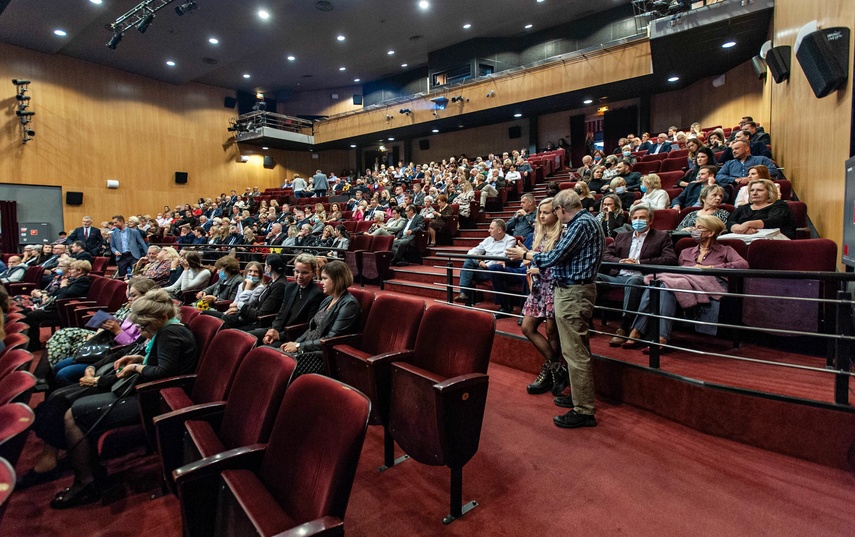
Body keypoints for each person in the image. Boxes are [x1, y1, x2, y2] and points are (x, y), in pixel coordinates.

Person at [47, 288, 198, 508]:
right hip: (147, 389)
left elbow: (163, 372)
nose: (141, 330)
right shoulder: (169, 328)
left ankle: (86, 482)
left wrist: (136, 366)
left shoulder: (170, 333)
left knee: (73, 415)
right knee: (69, 404)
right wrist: (139, 357)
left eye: (145, 326)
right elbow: (160, 361)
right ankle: (91, 473)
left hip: (155, 396)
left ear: (163, 317)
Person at [505, 190, 604, 429]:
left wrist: (525, 254)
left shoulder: (581, 224)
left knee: (575, 352)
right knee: (575, 349)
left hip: (574, 292)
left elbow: (556, 256)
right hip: (570, 290)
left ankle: (584, 410)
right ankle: (578, 398)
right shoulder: (585, 222)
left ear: (560, 209)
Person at [624, 215, 749, 353]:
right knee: (658, 284)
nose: (694, 230)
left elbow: (743, 264)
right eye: (695, 227)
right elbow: (677, 274)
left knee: (666, 284)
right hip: (682, 282)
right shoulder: (686, 251)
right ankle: (641, 331)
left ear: (711, 232)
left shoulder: (726, 250)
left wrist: (713, 268)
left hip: (710, 284)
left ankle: (655, 336)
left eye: (699, 227)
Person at [46, 277, 158, 388]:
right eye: (129, 294)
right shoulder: (131, 311)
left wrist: (117, 330)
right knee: (60, 355)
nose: (129, 298)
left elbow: (134, 345)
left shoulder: (148, 320)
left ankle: (74, 393)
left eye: (134, 295)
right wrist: (102, 327)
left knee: (63, 374)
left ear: (146, 296)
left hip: (111, 351)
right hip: (104, 343)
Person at [597, 206, 678, 347]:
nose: (638, 220)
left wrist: (639, 263)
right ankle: (587, 320)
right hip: (619, 275)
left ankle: (624, 326)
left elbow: (670, 259)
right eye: (635, 218)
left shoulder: (661, 236)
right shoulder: (622, 236)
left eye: (642, 218)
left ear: (650, 220)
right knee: (593, 277)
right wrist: (620, 261)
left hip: (642, 277)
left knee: (632, 281)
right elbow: (606, 255)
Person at [516, 198, 568, 396]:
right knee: (527, 327)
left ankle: (549, 373)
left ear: (556, 213)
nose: (543, 216)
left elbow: (560, 262)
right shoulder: (538, 232)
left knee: (552, 331)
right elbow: (534, 257)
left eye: (547, 212)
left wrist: (536, 265)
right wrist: (530, 267)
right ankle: (556, 367)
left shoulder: (563, 233)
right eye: (541, 213)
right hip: (538, 287)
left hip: (554, 286)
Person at [277, 260, 360, 376]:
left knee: (282, 367)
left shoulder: (349, 304)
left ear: (337, 279)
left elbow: (331, 339)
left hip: (322, 354)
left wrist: (299, 346)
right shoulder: (327, 300)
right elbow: (312, 329)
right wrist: (295, 342)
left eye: (325, 278)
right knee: (274, 357)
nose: (321, 282)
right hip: (308, 347)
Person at [254, 254, 324, 345]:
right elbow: (281, 313)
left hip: (292, 336)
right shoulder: (290, 287)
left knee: (263, 350)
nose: (299, 276)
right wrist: (273, 331)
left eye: (305, 273)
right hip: (278, 329)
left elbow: (308, 326)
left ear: (314, 272)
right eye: (297, 271)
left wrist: (280, 335)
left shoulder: (316, 294)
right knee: (248, 338)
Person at [26, 260, 93, 352]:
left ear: (79, 271)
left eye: (72, 269)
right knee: (26, 311)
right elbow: (57, 292)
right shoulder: (74, 280)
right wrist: (45, 295)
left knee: (31, 316)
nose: (70, 271)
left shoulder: (83, 280)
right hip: (59, 307)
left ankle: (33, 345)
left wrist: (64, 286)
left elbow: (64, 296)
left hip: (65, 310)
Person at [454, 219, 518, 304]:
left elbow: (504, 256)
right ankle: (464, 293)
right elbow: (472, 251)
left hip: (495, 268)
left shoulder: (510, 240)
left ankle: (464, 293)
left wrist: (487, 265)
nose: (489, 230)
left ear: (499, 230)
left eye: (491, 228)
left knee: (467, 272)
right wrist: (478, 258)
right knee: (469, 260)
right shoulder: (488, 240)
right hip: (483, 265)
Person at [222, 254, 288, 330]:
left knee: (228, 322)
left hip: (260, 322)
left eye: (265, 265)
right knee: (227, 318)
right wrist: (239, 308)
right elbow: (256, 303)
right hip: (252, 316)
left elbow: (261, 313)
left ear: (269, 268)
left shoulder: (280, 285)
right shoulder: (272, 281)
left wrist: (240, 305)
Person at [725, 178, 796, 239]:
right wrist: (739, 229)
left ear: (769, 193)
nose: (754, 193)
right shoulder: (743, 208)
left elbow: (774, 221)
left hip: (773, 242)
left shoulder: (779, 205)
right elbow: (730, 221)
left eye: (759, 190)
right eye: (752, 190)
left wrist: (748, 224)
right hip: (743, 239)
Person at [110, 214, 148, 279]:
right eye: (113, 223)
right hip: (121, 257)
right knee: (122, 277)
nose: (114, 224)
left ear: (121, 221)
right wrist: (115, 251)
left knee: (135, 275)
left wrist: (147, 254)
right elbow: (112, 246)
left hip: (133, 256)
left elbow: (142, 244)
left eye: (116, 222)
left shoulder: (134, 232)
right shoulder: (114, 233)